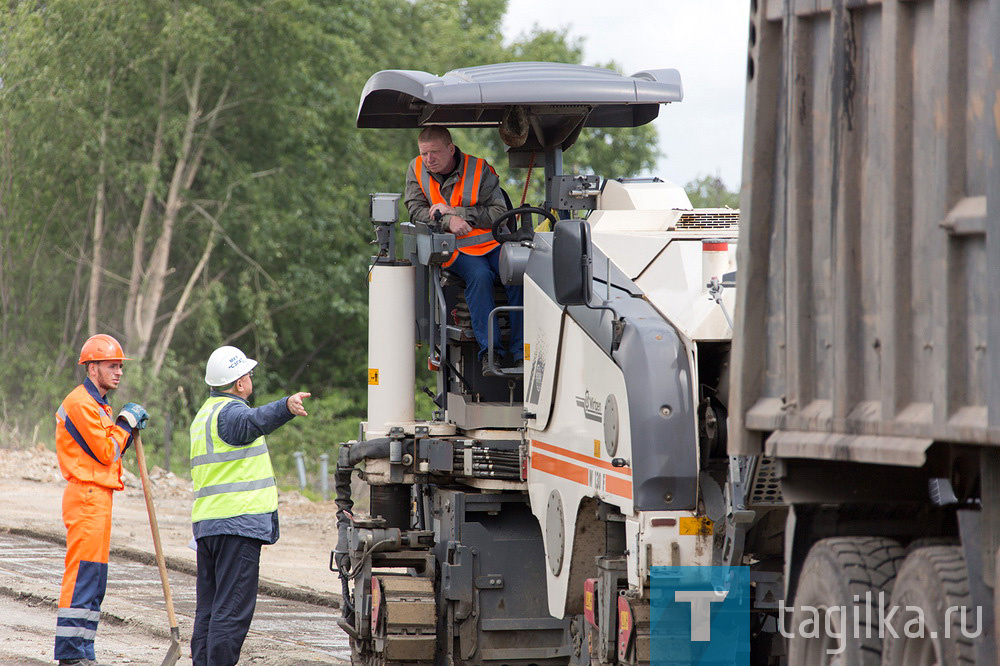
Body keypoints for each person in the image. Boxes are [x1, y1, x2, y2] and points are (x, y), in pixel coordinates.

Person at [189, 345, 310, 666]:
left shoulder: (204, 415)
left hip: (208, 527)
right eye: (247, 374)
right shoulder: (231, 415)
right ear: (239, 383)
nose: (250, 378)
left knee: (210, 610)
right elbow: (255, 419)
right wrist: (286, 405)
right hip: (236, 527)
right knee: (230, 612)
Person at [54, 334, 148, 666]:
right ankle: (70, 654)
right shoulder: (81, 403)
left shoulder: (99, 404)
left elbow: (110, 447)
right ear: (93, 368)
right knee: (83, 575)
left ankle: (84, 650)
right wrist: (126, 422)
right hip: (86, 497)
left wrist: (122, 424)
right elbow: (107, 450)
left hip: (99, 498)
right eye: (112, 366)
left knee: (95, 580)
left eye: (120, 366)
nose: (119, 372)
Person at [404, 125, 523, 372]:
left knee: (518, 272)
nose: (429, 159)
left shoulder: (479, 169)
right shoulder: (416, 170)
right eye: (424, 153)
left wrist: (456, 212)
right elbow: (416, 210)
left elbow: (499, 213)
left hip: (491, 243)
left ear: (451, 148)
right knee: (479, 276)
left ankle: (522, 352)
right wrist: (448, 222)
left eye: (435, 152)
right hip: (454, 249)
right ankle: (490, 355)